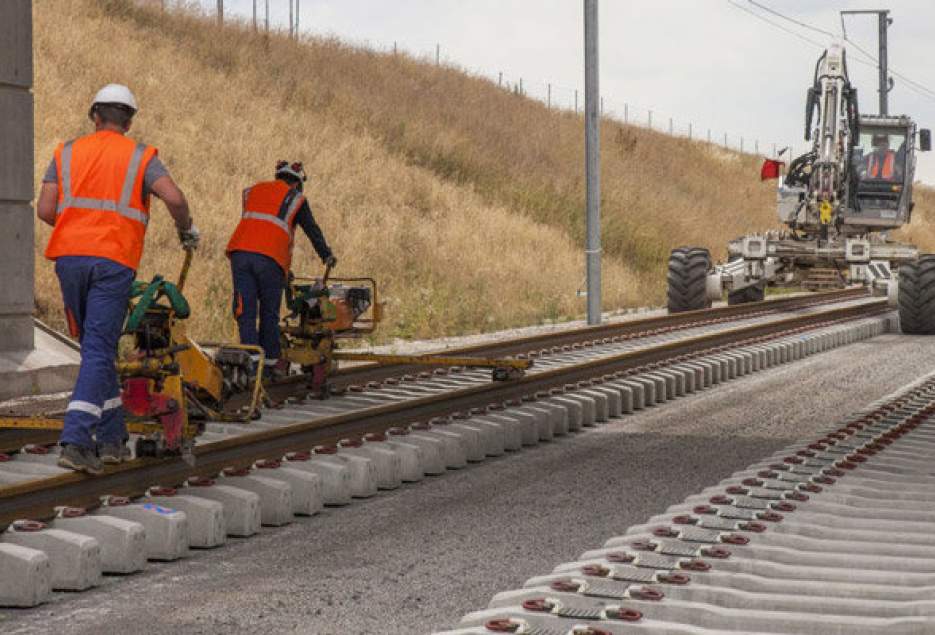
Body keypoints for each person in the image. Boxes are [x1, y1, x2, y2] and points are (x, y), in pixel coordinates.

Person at [36, 84, 199, 475]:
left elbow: (45, 209)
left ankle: (111, 441)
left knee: (96, 348)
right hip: (112, 261)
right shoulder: (141, 157)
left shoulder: (66, 153)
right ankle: (76, 440)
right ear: (129, 121)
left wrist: (80, 228)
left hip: (70, 259)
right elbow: (174, 199)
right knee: (98, 349)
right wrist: (186, 230)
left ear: (95, 115)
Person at [226, 161, 336, 380]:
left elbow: (258, 226)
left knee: (245, 310)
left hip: (240, 253)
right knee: (269, 313)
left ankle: (251, 365)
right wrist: (326, 255)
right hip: (270, 260)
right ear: (297, 183)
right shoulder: (295, 198)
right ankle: (269, 367)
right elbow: (311, 229)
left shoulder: (253, 191)